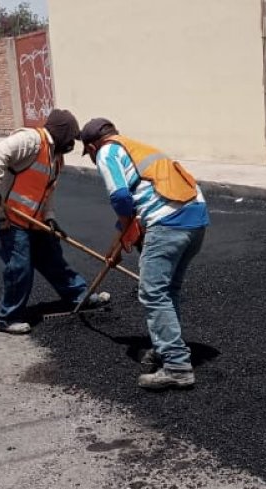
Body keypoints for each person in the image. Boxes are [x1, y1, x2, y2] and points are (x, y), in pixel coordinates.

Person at [79, 118, 210, 390]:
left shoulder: (106, 152)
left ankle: (176, 366)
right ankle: (166, 348)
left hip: (168, 223)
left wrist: (127, 231)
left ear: (91, 147)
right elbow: (138, 204)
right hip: (196, 220)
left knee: (153, 292)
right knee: (168, 290)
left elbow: (120, 197)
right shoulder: (135, 148)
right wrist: (121, 240)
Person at [0, 109, 109, 335]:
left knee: (53, 259)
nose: (71, 145)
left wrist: (49, 218)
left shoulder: (55, 157)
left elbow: (48, 191)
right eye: (70, 139)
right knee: (19, 267)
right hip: (5, 217)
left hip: (33, 220)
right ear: (62, 133)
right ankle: (8, 318)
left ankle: (80, 296)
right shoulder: (31, 140)